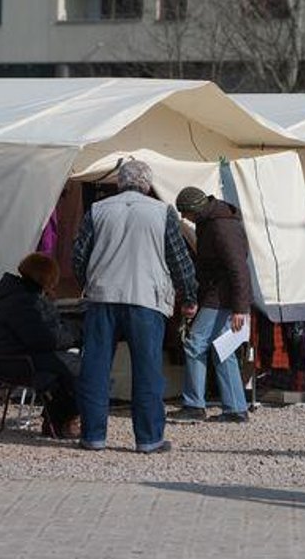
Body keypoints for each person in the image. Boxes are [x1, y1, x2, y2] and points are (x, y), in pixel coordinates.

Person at [72, 158, 198, 453]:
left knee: (95, 369)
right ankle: (148, 438)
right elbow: (179, 260)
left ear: (119, 182)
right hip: (146, 298)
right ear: (147, 184)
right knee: (147, 370)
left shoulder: (97, 209)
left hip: (103, 296)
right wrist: (189, 297)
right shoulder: (162, 212)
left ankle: (93, 436)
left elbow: (78, 255)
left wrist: (88, 281)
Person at [167, 186, 252, 423]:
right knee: (222, 349)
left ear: (194, 210)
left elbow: (238, 268)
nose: (185, 218)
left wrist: (240, 309)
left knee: (195, 344)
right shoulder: (212, 221)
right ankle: (235, 408)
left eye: (185, 213)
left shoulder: (220, 226)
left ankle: (195, 405)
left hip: (222, 297)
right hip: (221, 296)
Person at [0, 253, 81, 439]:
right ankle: (66, 420)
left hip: (17, 357)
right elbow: (44, 339)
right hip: (19, 362)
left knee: (71, 365)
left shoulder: (19, 296)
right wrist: (75, 336)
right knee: (81, 368)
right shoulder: (25, 302)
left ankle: (58, 420)